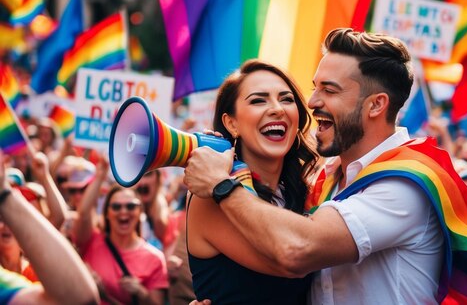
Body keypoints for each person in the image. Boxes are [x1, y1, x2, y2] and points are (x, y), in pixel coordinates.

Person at [184, 29, 467, 304]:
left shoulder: (406, 185)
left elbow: (295, 250)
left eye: (329, 91)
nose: (312, 102)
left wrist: (223, 185)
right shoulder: (326, 178)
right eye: (314, 88)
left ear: (376, 105)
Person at [186, 59, 318, 303]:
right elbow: (289, 259)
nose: (277, 109)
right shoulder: (210, 196)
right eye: (258, 100)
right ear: (231, 123)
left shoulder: (304, 192)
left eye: (286, 99)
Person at [0, 153, 100, 304]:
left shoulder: (35, 265)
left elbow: (77, 299)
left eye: (28, 201)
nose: (7, 224)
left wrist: (5, 195)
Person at [73, 158, 168, 304]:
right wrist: (99, 177)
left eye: (130, 206)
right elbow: (83, 215)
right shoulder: (92, 240)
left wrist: (141, 294)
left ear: (139, 211)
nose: (123, 212)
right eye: (116, 207)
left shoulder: (155, 259)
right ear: (107, 213)